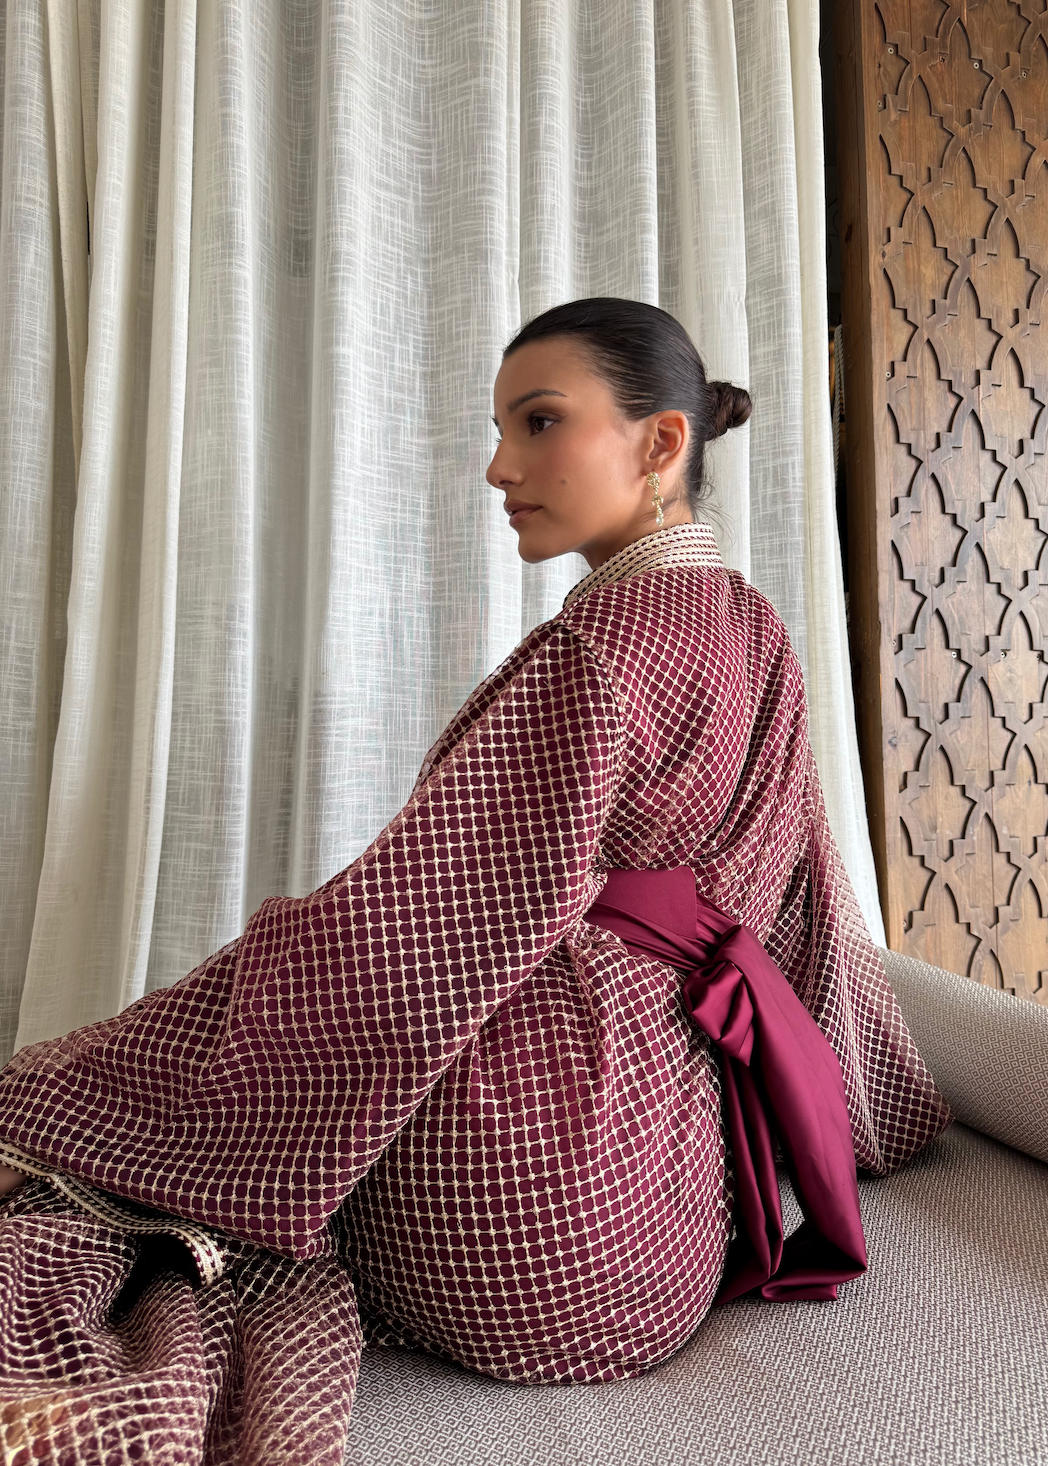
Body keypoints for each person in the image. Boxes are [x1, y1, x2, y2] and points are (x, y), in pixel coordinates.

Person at [0, 298, 950, 1466]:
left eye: (540, 422)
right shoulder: (754, 628)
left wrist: (97, 1067)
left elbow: (402, 933)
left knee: (128, 1141)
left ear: (660, 444)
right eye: (501, 428)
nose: (500, 467)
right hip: (659, 1239)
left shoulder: (597, 650)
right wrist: (876, 1108)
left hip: (521, 1224)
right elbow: (807, 905)